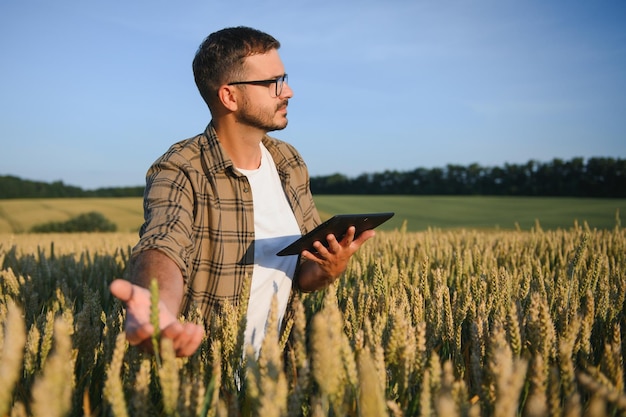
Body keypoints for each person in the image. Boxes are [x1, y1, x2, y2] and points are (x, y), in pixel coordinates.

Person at [109, 26, 375, 357]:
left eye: (285, 78)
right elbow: (162, 243)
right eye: (273, 83)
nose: (288, 91)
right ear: (230, 96)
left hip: (275, 378)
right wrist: (158, 307)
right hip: (207, 375)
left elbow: (305, 273)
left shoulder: (289, 163)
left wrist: (328, 268)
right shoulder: (180, 167)